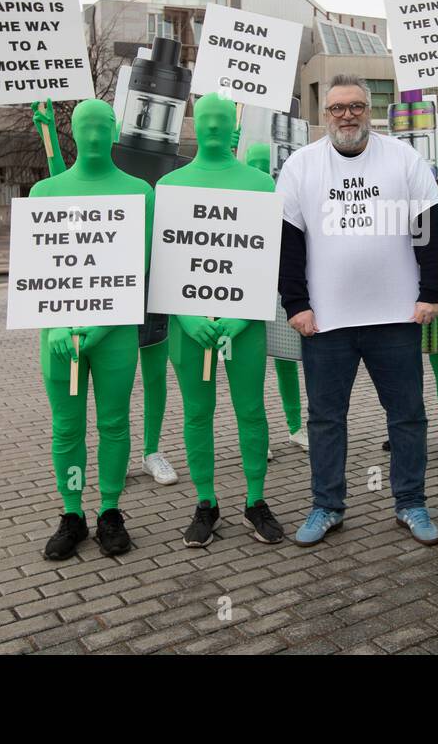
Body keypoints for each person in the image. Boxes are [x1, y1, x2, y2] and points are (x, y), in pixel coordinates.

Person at [277, 74, 438, 547]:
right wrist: (296, 304)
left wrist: (432, 292)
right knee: (325, 419)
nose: (346, 115)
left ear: (369, 110)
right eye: (336, 108)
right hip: (325, 321)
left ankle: (410, 503)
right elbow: (287, 241)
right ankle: (326, 506)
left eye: (355, 106)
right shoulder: (301, 165)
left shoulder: (404, 158)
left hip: (396, 316)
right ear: (324, 115)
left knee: (408, 415)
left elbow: (431, 227)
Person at [158, 92, 283, 548]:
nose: (212, 125)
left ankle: (255, 499)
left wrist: (241, 314)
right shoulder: (171, 185)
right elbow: (165, 258)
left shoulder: (260, 186)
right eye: (204, 117)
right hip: (188, 327)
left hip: (243, 326)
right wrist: (187, 316)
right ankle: (206, 502)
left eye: (221, 118)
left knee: (251, 409)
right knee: (197, 412)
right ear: (194, 122)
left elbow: (266, 258)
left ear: (234, 126)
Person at [32, 99, 178, 486]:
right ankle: (72, 512)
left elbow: (139, 266)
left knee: (114, 424)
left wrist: (97, 327)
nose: (94, 135)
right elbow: (41, 269)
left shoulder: (140, 192)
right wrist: (62, 326)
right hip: (58, 337)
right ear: (73, 131)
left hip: (115, 333)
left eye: (102, 126)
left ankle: (111, 509)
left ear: (114, 131)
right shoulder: (43, 193)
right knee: (66, 427)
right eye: (86, 126)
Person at [245, 141, 308, 455]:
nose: (261, 172)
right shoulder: (241, 201)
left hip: (280, 289)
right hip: (247, 291)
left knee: (287, 359)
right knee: (250, 366)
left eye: (265, 165)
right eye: (253, 163)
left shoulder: (287, 201)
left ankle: (296, 426)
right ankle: (258, 433)